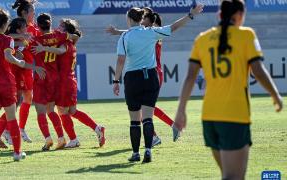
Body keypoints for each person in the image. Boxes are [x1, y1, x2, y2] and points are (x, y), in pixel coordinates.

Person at [174, 0, 283, 179]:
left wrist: (181, 111)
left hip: (209, 119)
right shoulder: (246, 35)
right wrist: (275, 95)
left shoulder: (202, 39)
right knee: (234, 177)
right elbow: (258, 71)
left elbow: (190, 77)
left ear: (219, 15)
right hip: (234, 116)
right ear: (239, 15)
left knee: (227, 174)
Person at [113, 5, 203, 163]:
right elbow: (173, 27)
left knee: (135, 120)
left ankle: (135, 153)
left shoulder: (125, 37)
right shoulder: (151, 32)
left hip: (132, 78)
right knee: (148, 118)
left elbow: (121, 60)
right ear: (141, 19)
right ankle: (148, 151)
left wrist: (116, 81)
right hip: (150, 76)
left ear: (129, 19)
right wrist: (190, 15)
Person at [0, 8, 45, 162]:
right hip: (5, 83)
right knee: (12, 117)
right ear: (6, 24)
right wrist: (19, 61)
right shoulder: (8, 40)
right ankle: (17, 153)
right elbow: (8, 56)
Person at [106, 10, 181, 147]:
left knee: (144, 108)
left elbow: (136, 32)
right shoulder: (145, 33)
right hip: (151, 72)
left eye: (144, 18)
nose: (142, 21)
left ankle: (163, 131)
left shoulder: (153, 33)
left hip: (153, 72)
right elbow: (134, 32)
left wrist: (119, 32)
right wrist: (118, 32)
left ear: (151, 22)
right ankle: (156, 135)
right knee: (145, 107)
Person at [32, 19, 106, 148]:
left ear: (66, 31)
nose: (58, 28)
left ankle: (73, 139)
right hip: (70, 80)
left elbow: (60, 51)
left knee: (62, 112)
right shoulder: (70, 42)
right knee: (72, 111)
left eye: (61, 27)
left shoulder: (66, 43)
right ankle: (97, 128)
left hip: (64, 82)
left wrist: (43, 47)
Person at [31, 13, 80, 151]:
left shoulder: (36, 40)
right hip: (54, 78)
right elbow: (75, 36)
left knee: (41, 112)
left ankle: (47, 139)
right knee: (51, 110)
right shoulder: (58, 37)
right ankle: (61, 137)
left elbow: (21, 49)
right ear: (50, 24)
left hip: (41, 77)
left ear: (38, 25)